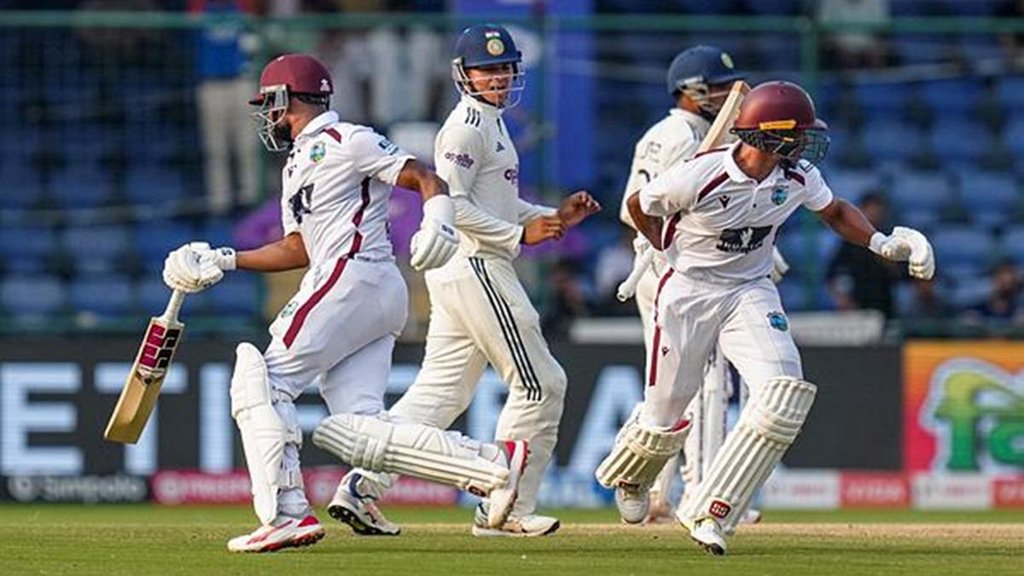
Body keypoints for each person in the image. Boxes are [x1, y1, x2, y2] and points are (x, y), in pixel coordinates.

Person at [161, 53, 528, 553]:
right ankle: (493, 462)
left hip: (352, 276)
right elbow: (298, 248)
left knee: (262, 381)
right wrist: (226, 260)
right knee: (358, 428)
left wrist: (437, 219)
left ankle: (286, 513)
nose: (267, 116)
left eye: (270, 103)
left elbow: (425, 178)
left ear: (287, 99)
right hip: (364, 288)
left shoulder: (347, 138)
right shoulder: (296, 163)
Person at [598, 80, 934, 555]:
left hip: (749, 292)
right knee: (665, 413)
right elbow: (639, 205)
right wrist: (663, 245)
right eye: (797, 134)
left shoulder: (794, 175)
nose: (805, 143)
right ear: (768, 134)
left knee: (783, 394)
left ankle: (712, 508)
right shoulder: (700, 174)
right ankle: (632, 474)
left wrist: (882, 243)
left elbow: (835, 211)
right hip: (688, 292)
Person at [335, 24, 601, 538]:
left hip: (466, 267)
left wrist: (555, 216)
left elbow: (493, 204)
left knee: (439, 395)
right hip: (476, 265)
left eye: (505, 68)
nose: (499, 77)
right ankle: (505, 506)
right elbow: (450, 205)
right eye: (488, 69)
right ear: (464, 75)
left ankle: (362, 483)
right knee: (542, 384)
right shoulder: (465, 127)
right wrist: (518, 235)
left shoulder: (494, 123)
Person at [617, 45, 785, 526]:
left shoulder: (677, 133)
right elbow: (643, 206)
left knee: (674, 386)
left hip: (671, 267)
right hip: (677, 270)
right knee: (709, 381)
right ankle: (702, 493)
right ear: (688, 91)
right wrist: (678, 254)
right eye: (716, 87)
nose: (729, 97)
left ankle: (653, 489)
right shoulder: (678, 136)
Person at [826, 192, 902, 318]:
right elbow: (832, 274)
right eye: (870, 210)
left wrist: (887, 260)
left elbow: (900, 274)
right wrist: (843, 299)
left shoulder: (891, 238)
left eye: (878, 211)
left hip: (885, 301)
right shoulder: (850, 240)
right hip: (856, 304)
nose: (874, 214)